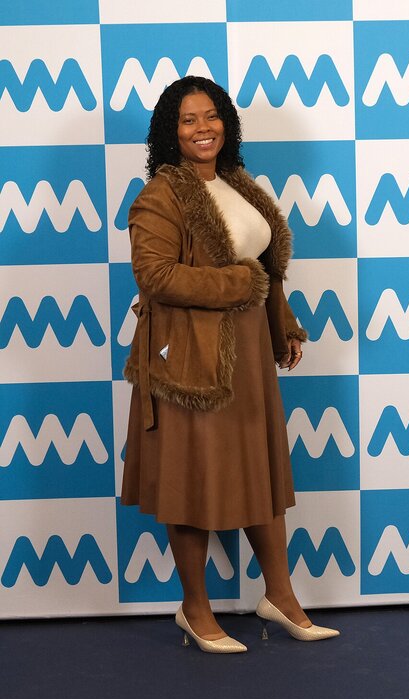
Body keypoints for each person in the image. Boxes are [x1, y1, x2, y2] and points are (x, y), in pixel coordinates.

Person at [121, 76, 339, 653]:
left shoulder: (241, 185)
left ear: (227, 123)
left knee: (258, 471)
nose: (203, 128)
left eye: (211, 115)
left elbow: (264, 269)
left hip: (247, 358)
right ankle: (195, 610)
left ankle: (281, 596)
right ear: (170, 132)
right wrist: (239, 284)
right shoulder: (161, 196)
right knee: (190, 478)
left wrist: (281, 323)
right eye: (188, 119)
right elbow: (155, 276)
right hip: (189, 361)